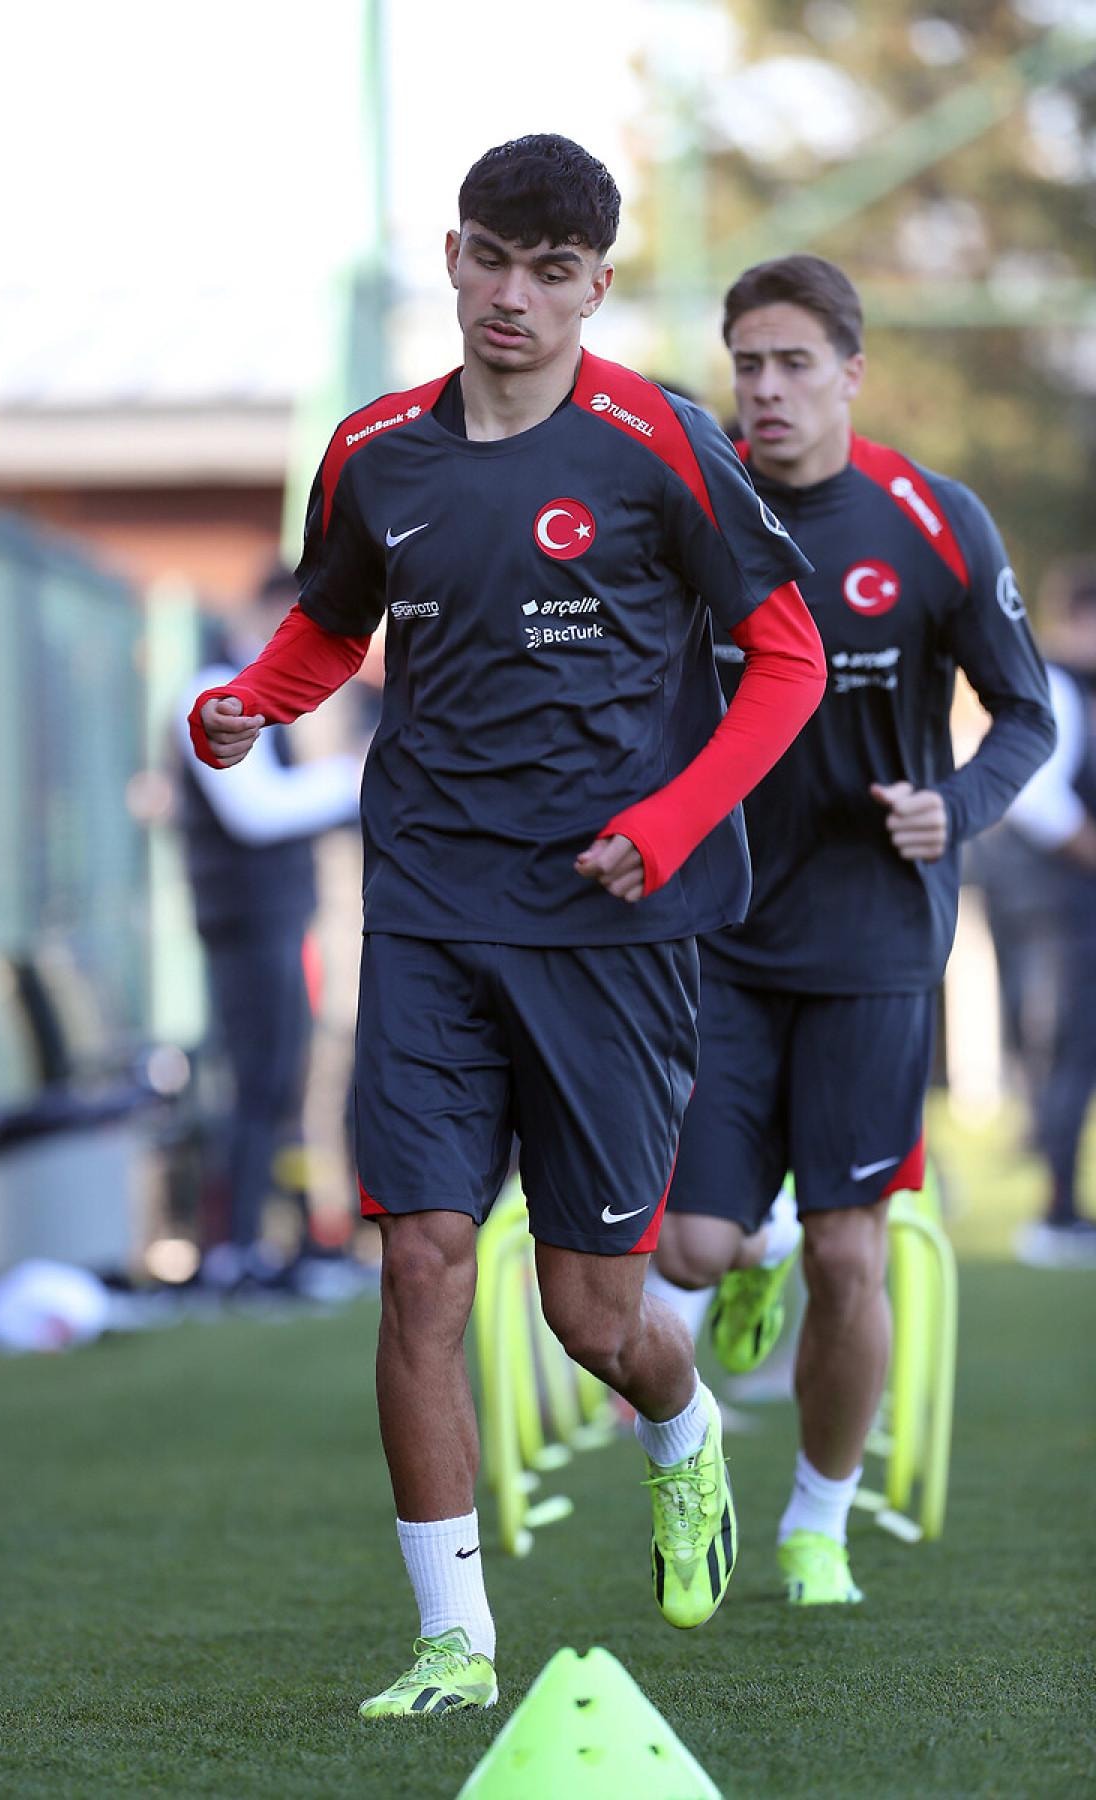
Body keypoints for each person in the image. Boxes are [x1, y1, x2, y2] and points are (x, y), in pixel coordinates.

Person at [188, 135, 826, 1716]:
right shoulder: (373, 451)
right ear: (454, 259)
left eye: (552, 272)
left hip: (610, 934)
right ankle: (454, 1645)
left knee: (591, 1315)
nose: (514, 297)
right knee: (420, 1263)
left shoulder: (658, 442)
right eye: (491, 259)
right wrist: (249, 703)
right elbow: (333, 620)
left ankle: (680, 1429)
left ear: (596, 285)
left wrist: (669, 824)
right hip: (424, 910)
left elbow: (787, 658)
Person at [648, 253, 1057, 1607]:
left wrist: (958, 806)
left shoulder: (931, 521)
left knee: (848, 1249)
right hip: (720, 933)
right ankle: (743, 1258)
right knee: (689, 1249)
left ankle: (815, 1525)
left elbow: (1028, 715)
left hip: (877, 942)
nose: (765, 390)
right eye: (747, 365)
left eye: (793, 364)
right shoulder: (698, 512)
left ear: (851, 375)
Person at [177, 560, 361, 1286]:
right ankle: (232, 1249)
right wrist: (351, 778)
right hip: (243, 920)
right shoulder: (209, 691)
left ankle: (264, 1246)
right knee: (255, 1083)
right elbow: (255, 811)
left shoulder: (246, 695)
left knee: (278, 1081)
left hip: (276, 917)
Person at [1000, 559, 1096, 1267]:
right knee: (1063, 1049)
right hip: (1053, 901)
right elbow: (1037, 797)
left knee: (1054, 1048)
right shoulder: (1057, 683)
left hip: (1045, 899)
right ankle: (1057, 1212)